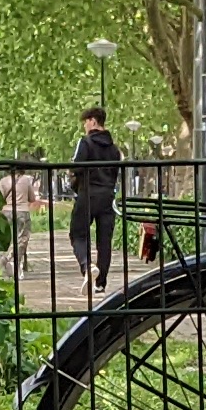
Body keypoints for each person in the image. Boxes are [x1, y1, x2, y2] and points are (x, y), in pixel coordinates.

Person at [67, 107, 123, 290]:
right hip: (107, 196)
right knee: (104, 241)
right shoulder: (114, 149)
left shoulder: (85, 143)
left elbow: (76, 168)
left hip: (88, 194)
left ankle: (87, 265)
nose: (84, 126)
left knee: (78, 234)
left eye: (85, 122)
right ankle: (101, 283)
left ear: (93, 121)